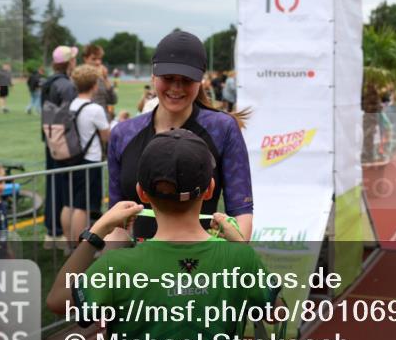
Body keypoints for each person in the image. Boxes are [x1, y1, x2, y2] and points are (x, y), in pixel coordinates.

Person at [46, 129, 274, 340]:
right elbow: (276, 312)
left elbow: (58, 299)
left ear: (142, 193)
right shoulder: (239, 259)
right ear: (211, 189)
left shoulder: (117, 266)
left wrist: (97, 232)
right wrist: (238, 243)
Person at [108, 30, 254, 241]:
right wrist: (109, 267)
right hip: (140, 268)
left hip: (203, 266)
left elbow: (241, 211)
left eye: (186, 80)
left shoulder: (222, 128)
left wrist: (230, 256)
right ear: (153, 76)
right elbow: (117, 222)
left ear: (200, 81)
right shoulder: (123, 134)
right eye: (168, 78)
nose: (176, 88)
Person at [60, 64, 111, 248]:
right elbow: (107, 136)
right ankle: (78, 248)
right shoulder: (94, 109)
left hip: (70, 158)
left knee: (68, 203)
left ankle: (68, 244)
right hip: (89, 160)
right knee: (82, 206)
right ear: (95, 85)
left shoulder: (70, 105)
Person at [41, 45, 79, 249]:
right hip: (63, 141)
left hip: (50, 139)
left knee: (53, 183)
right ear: (69, 62)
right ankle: (59, 232)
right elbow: (69, 117)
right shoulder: (66, 85)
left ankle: (51, 230)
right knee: (63, 187)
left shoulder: (49, 82)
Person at [83, 44, 119, 119]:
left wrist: (105, 79)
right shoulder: (78, 78)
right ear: (85, 59)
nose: (98, 62)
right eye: (94, 59)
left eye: (100, 59)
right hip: (87, 120)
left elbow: (113, 100)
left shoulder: (101, 78)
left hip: (103, 121)